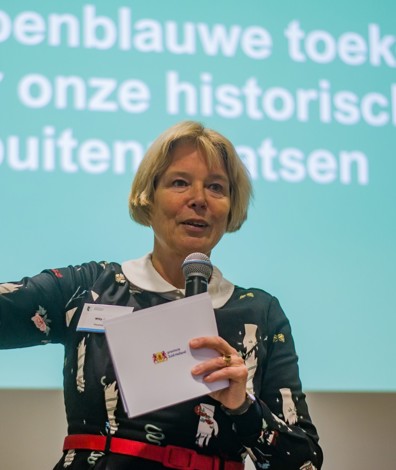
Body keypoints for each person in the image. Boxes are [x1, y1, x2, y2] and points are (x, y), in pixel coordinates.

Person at [0, 120, 323, 469]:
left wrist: (243, 407)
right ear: (148, 197)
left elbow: (305, 461)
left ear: (231, 207)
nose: (198, 200)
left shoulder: (260, 313)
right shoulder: (88, 289)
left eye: (216, 187)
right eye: (180, 183)